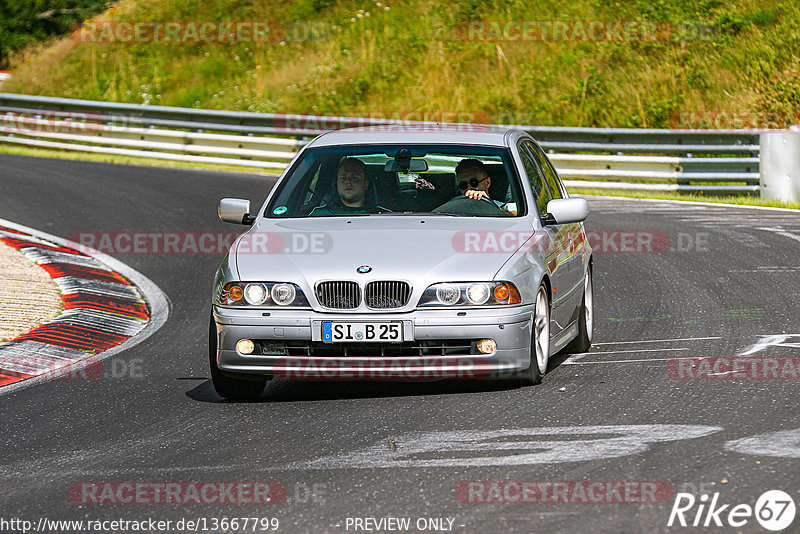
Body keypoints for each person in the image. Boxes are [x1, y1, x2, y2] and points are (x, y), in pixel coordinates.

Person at [310, 157, 390, 216]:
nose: (348, 181)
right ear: (337, 183)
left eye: (354, 178)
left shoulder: (383, 216)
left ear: (366, 184)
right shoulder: (319, 215)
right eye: (343, 178)